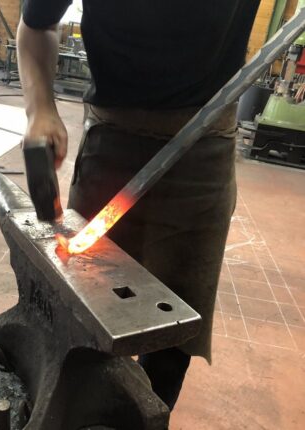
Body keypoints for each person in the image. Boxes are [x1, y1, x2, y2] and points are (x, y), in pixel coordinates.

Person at [17, 0, 261, 412]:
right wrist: (40, 109)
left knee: (173, 336)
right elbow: (35, 26)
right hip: (112, 145)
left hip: (202, 150)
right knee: (84, 321)